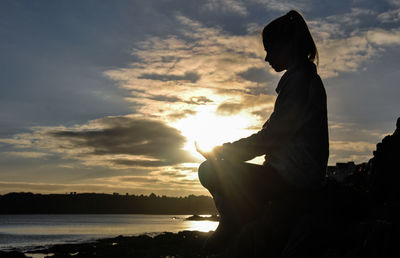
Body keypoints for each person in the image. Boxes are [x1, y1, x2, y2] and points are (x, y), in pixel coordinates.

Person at [197, 10, 329, 256]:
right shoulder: (302, 79)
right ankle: (238, 218)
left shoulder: (299, 81)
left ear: (287, 45)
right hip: (294, 175)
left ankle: (236, 219)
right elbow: (273, 134)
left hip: (293, 179)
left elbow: (271, 138)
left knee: (209, 169)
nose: (266, 57)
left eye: (270, 49)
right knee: (218, 166)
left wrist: (225, 151)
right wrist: (227, 152)